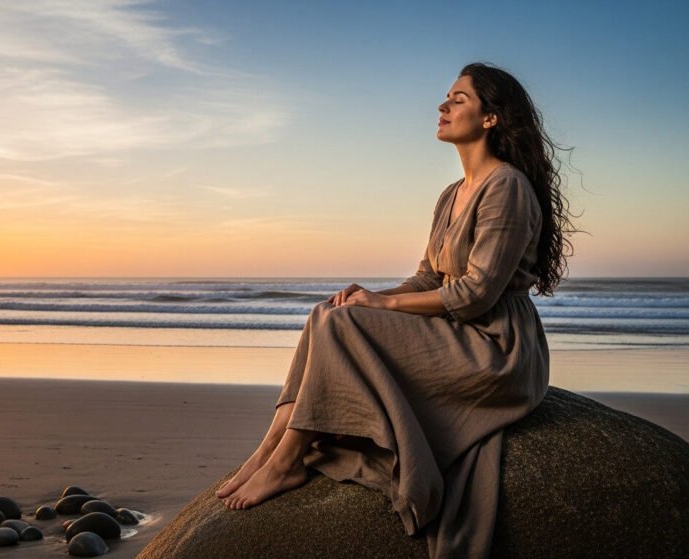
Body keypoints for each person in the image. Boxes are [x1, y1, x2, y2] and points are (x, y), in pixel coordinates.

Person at [214, 61, 578, 558]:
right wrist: (371, 299)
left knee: (347, 322)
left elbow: (475, 295)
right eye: (447, 98)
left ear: (491, 117)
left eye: (458, 99)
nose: (442, 106)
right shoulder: (452, 195)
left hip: (494, 347)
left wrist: (382, 306)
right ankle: (275, 442)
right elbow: (431, 278)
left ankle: (288, 460)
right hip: (458, 329)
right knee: (330, 313)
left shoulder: (506, 186)